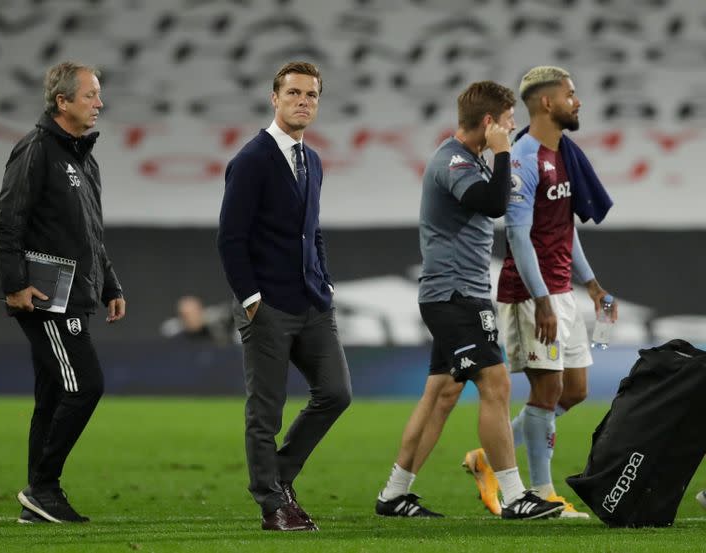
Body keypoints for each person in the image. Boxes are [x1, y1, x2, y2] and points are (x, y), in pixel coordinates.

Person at [375, 81, 563, 520]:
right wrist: (500, 153)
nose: (512, 128)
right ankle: (516, 496)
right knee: (495, 385)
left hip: (458, 294)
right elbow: (492, 204)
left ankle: (394, 494)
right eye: (508, 121)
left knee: (440, 396)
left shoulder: (469, 160)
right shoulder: (454, 160)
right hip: (455, 296)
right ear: (488, 122)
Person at [464, 66, 615, 519]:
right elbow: (518, 236)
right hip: (530, 296)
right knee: (546, 393)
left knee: (575, 391)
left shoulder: (565, 154)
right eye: (571, 94)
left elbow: (563, 231)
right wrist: (543, 299)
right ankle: (543, 491)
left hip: (560, 292)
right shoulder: (526, 159)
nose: (578, 101)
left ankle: (488, 457)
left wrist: (590, 284)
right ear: (547, 103)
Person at [217, 61, 352, 532]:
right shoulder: (252, 160)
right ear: (274, 99)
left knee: (336, 393)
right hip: (268, 305)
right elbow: (231, 238)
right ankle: (273, 505)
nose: (302, 101)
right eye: (293, 93)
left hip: (312, 302)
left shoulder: (312, 160)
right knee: (265, 411)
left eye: (311, 95)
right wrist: (251, 298)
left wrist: (326, 283)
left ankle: (279, 477)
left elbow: (311, 231)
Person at [0, 61, 126, 524]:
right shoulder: (36, 150)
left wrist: (109, 283)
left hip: (73, 292)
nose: (99, 104)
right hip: (43, 294)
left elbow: (90, 232)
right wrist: (14, 285)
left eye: (98, 94)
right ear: (62, 101)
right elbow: (8, 222)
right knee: (86, 384)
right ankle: (43, 486)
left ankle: (39, 500)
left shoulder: (83, 158)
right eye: (90, 95)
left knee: (52, 396)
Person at [159, 295, 234, 346]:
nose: (191, 318)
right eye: (185, 315)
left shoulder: (214, 326)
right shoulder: (175, 333)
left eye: (194, 313)